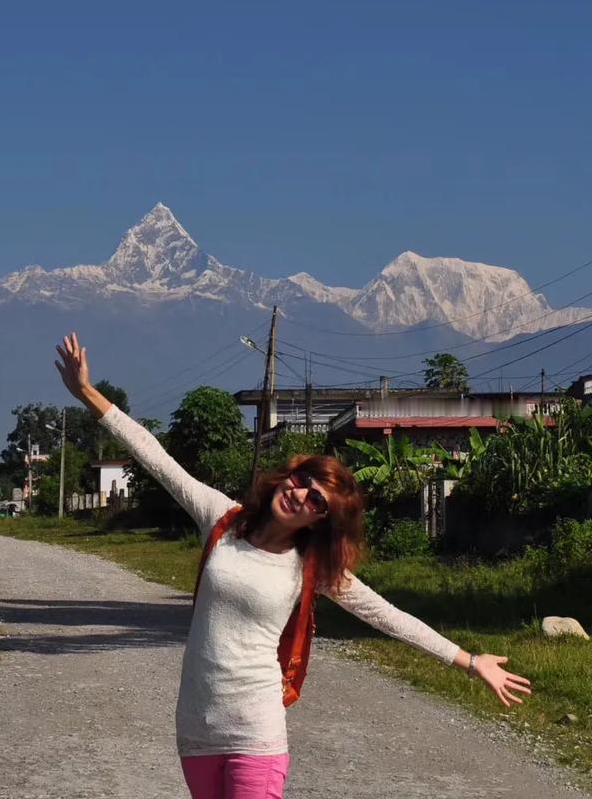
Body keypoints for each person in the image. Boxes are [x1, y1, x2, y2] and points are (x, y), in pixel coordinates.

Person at [54, 332, 531, 799]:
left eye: (317, 501)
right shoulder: (221, 520)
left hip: (256, 734)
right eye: (302, 481)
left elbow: (388, 616)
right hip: (196, 728)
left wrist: (470, 662)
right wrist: (87, 393)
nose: (300, 495)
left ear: (321, 521)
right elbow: (155, 457)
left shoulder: (310, 567)